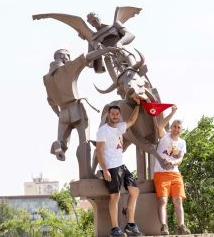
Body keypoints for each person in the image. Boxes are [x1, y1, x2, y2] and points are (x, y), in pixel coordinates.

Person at [43, 47, 117, 179]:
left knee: (63, 142)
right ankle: (86, 174)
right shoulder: (67, 68)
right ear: (62, 56)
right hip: (76, 108)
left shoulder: (46, 78)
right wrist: (106, 50)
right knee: (84, 142)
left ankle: (59, 145)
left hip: (62, 112)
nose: (69, 58)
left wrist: (59, 114)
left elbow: (50, 101)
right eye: (67, 55)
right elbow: (86, 57)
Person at [96, 98, 143, 236]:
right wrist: (104, 170)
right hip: (110, 167)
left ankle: (130, 224)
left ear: (119, 115)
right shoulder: (103, 131)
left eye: (117, 114)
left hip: (121, 165)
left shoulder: (120, 126)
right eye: (113, 114)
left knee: (134, 191)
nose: (115, 116)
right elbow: (98, 151)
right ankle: (115, 228)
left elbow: (132, 120)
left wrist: (138, 105)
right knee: (115, 197)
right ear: (108, 115)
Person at [153, 105, 191, 235]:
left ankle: (181, 226)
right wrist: (172, 113)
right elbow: (159, 126)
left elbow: (180, 158)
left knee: (178, 200)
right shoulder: (164, 137)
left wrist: (173, 162)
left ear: (181, 130)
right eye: (174, 126)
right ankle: (164, 226)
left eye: (178, 127)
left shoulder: (182, 142)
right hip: (161, 173)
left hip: (175, 174)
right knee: (163, 200)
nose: (176, 129)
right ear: (171, 127)